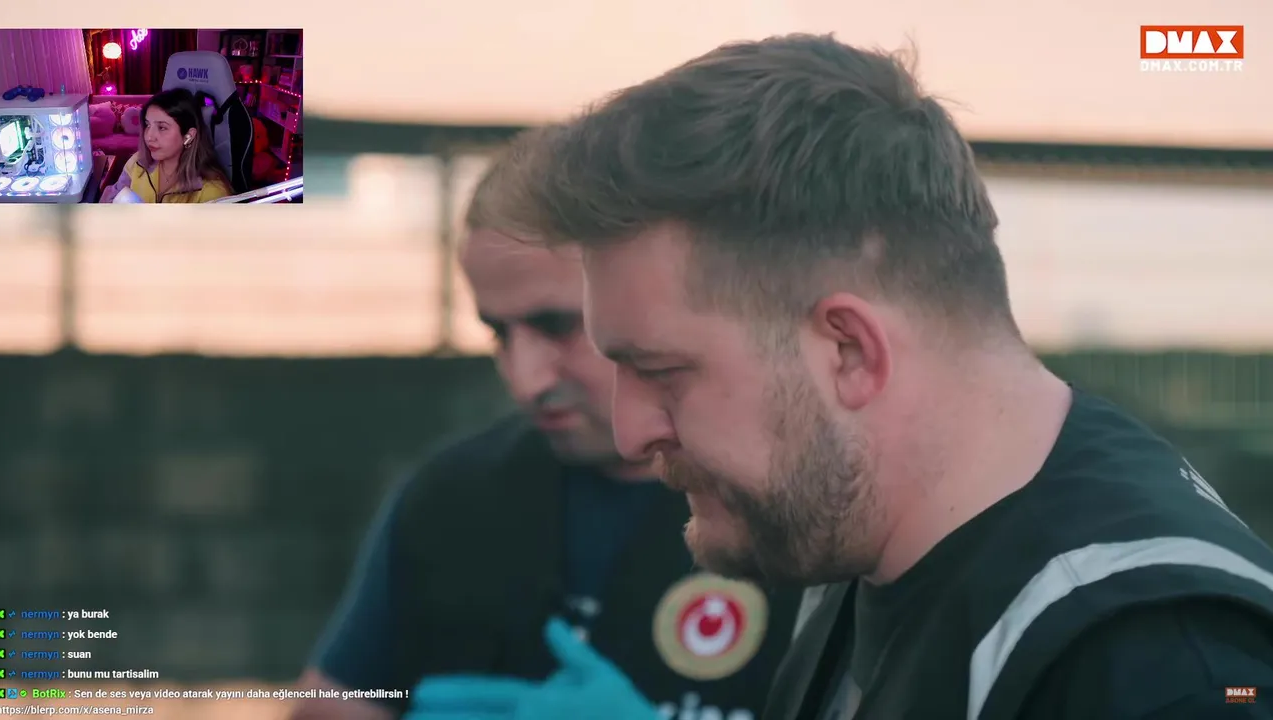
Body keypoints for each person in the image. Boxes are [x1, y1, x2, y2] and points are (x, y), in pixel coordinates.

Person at [405, 34, 1273, 720]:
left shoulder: (1156, 670)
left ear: (848, 350)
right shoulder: (858, 541)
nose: (633, 430)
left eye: (661, 370)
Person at [289, 126, 800, 720]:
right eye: (498, 333)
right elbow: (332, 704)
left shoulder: (799, 509)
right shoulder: (454, 499)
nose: (525, 379)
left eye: (558, 325)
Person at [99, 88, 231, 203]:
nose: (149, 136)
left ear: (188, 136)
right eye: (148, 125)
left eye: (162, 127)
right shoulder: (137, 162)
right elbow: (110, 201)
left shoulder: (212, 192)